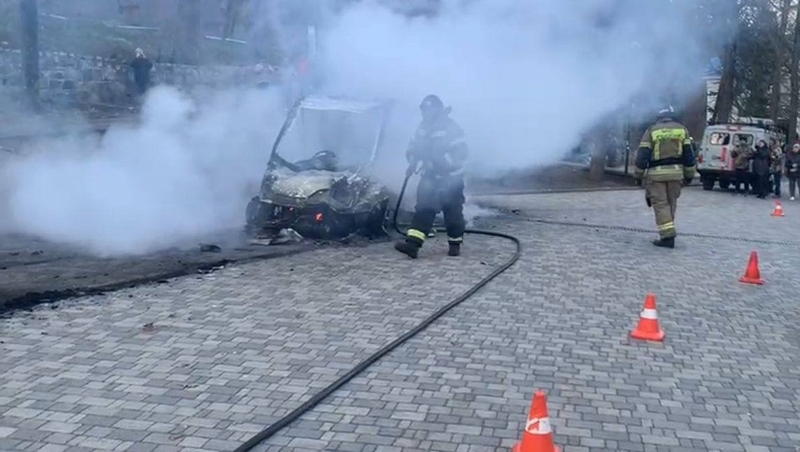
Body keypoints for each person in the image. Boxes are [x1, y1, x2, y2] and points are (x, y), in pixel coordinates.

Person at [394, 95, 468, 259]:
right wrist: (412, 159)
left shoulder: (452, 128)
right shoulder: (423, 127)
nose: (425, 113)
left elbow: (460, 154)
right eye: (424, 110)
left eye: (429, 110)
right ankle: (412, 245)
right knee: (424, 209)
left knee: (453, 211)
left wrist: (440, 163)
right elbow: (414, 145)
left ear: (437, 110)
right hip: (430, 177)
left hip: (451, 179)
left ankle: (455, 244)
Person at [633, 106, 696, 249]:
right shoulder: (682, 130)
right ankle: (667, 232)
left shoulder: (652, 131)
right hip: (676, 175)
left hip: (657, 176)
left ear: (658, 117)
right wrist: (689, 175)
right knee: (671, 203)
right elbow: (689, 155)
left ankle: (667, 237)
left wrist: (638, 175)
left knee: (661, 205)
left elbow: (643, 155)